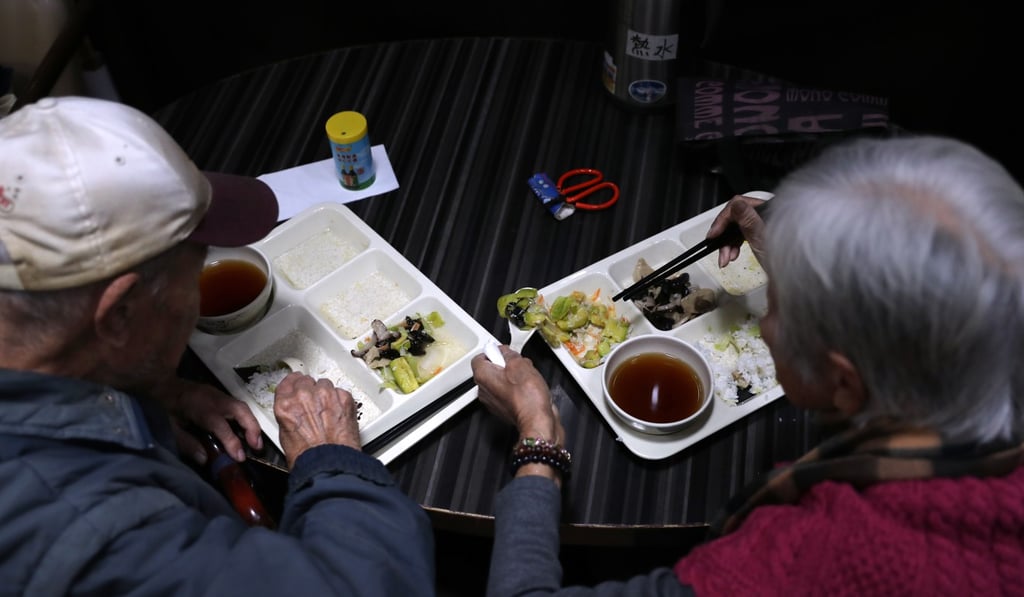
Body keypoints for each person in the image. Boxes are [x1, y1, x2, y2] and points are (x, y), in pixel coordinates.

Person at [472, 134, 1024, 595]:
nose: (764, 321)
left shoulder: (812, 559)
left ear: (842, 382)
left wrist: (538, 439)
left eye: (778, 304)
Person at [0, 96, 434, 595]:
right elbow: (366, 585)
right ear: (120, 315)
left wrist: (136, 386)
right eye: (195, 274)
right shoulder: (95, 532)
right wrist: (329, 457)